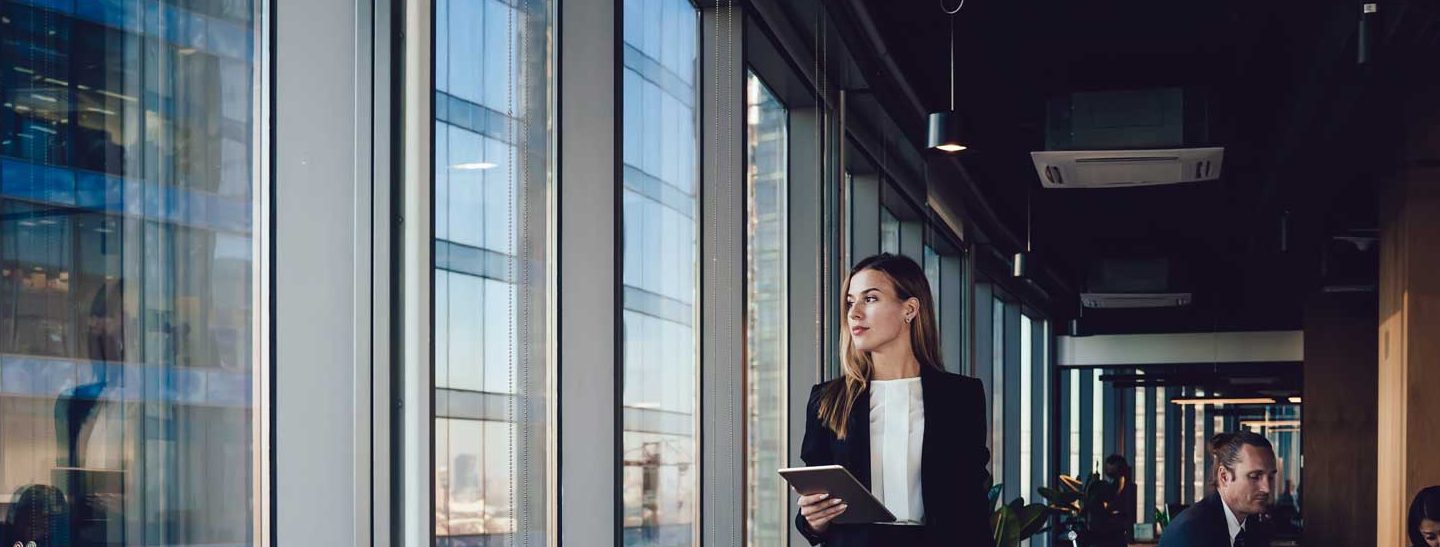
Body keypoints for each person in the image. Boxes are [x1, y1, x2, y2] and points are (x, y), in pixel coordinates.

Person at [794, 253, 990, 546]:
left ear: (909, 309)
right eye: (850, 302)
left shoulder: (961, 397)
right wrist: (813, 520)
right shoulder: (827, 399)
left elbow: (972, 503)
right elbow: (813, 507)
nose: (854, 313)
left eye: (870, 299)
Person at [1158, 431, 1276, 547]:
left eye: (1270, 477)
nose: (1267, 488)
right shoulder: (1190, 532)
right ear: (1224, 476)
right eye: (1255, 476)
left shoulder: (1255, 528)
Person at [1090, 454, 1137, 547]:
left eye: (1112, 472)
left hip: (1116, 535)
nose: (1109, 474)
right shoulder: (1111, 486)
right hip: (1105, 534)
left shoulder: (1127, 488)